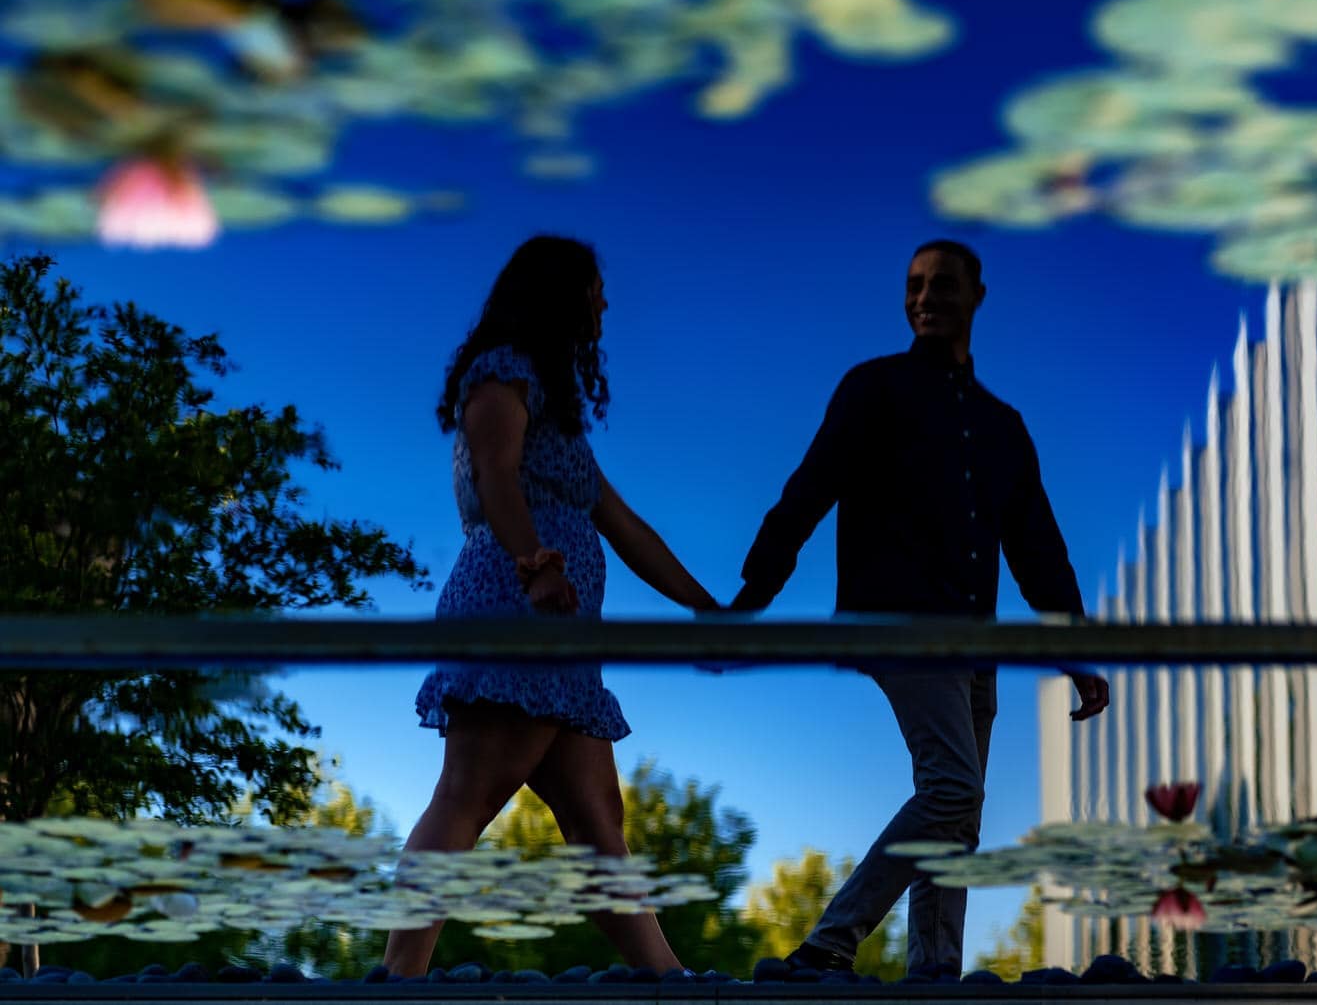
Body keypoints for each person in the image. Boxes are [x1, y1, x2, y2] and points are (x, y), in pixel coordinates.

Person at [729, 239, 1110, 976]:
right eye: (913, 285)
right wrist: (752, 597)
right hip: (898, 621)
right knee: (953, 787)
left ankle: (935, 972)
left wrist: (1076, 647)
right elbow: (808, 489)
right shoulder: (874, 388)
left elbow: (1038, 549)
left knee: (957, 812)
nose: (924, 296)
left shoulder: (1004, 426)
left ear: (976, 296)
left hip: (975, 638)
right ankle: (829, 944)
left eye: (940, 284)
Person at [384, 235, 720, 977]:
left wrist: (706, 607)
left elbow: (626, 527)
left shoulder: (558, 416)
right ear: (558, 294)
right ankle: (395, 982)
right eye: (594, 287)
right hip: (515, 605)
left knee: (601, 826)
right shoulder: (500, 372)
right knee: (465, 798)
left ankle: (672, 984)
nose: (604, 301)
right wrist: (534, 565)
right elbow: (495, 474)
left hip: (562, 636)